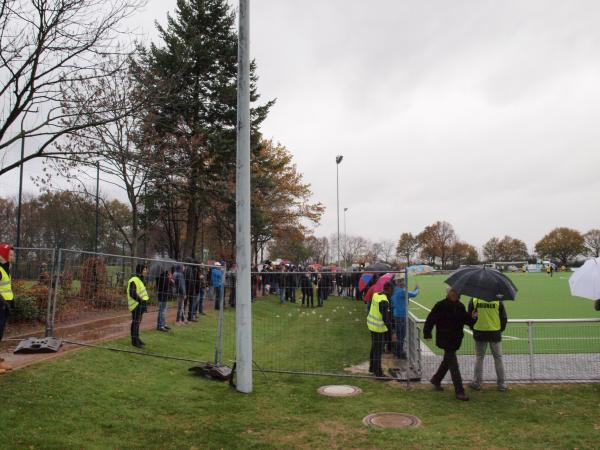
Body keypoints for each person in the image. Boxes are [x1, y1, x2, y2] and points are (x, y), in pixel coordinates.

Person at [424, 287, 477, 401]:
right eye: (452, 292)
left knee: (447, 361)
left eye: (456, 292)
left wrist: (472, 318)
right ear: (448, 293)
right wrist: (427, 332)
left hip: (456, 339)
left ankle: (436, 380)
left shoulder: (460, 306)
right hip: (444, 339)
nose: (454, 294)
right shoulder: (440, 305)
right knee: (454, 365)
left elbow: (466, 320)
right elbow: (430, 319)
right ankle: (460, 391)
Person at [468, 297, 508, 392]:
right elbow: (504, 318)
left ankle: (477, 383)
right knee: (498, 358)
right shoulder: (498, 300)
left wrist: (473, 328)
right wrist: (499, 329)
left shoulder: (474, 300)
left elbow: (469, 316)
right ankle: (502, 384)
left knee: (479, 357)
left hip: (480, 332)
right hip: (494, 332)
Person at [367, 281, 394, 378]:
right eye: (393, 290)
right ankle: (378, 372)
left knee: (374, 347)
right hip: (377, 327)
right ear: (390, 290)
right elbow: (386, 319)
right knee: (378, 350)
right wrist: (391, 332)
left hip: (371, 325)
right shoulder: (384, 301)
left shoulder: (376, 295)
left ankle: (372, 368)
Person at [390, 278, 420, 359]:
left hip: (396, 315)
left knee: (398, 335)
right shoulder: (402, 292)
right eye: (403, 282)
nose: (404, 283)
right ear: (400, 284)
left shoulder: (395, 291)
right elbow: (413, 294)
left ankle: (397, 352)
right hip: (401, 315)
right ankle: (399, 353)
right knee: (401, 335)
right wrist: (417, 289)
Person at [0, 243, 15, 373]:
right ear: (4, 254)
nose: (12, 256)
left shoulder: (6, 267)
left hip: (4, 306)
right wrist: (3, 302)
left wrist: (10, 302)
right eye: (10, 254)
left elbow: (6, 288)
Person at [128, 264, 149, 348]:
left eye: (146, 269)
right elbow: (132, 293)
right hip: (136, 305)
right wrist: (141, 301)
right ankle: (134, 341)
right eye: (144, 269)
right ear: (140, 270)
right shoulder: (134, 279)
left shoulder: (141, 279)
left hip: (140, 306)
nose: (146, 271)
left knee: (137, 323)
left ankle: (137, 338)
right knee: (135, 323)